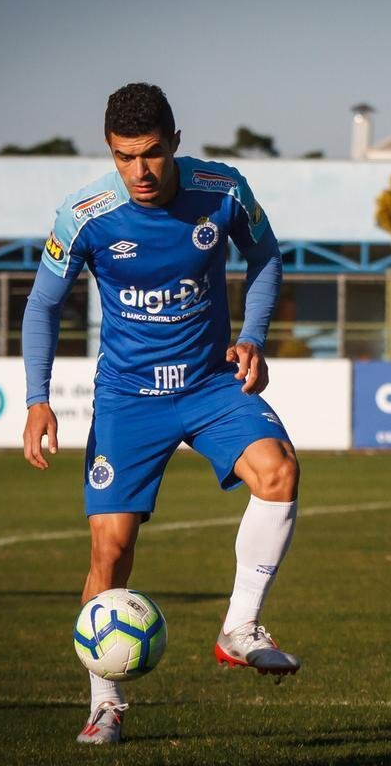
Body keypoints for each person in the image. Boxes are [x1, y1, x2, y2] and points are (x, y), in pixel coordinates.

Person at [22, 83, 301, 745]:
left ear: (174, 142)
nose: (139, 172)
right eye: (123, 157)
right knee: (110, 551)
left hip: (209, 384)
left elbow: (266, 257)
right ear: (110, 152)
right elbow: (42, 306)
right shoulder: (84, 214)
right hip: (129, 399)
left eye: (150, 154)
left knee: (279, 472)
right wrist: (37, 399)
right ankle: (105, 705)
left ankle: (239, 628)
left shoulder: (222, 189)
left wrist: (253, 338)